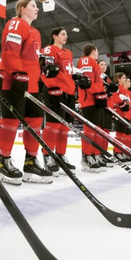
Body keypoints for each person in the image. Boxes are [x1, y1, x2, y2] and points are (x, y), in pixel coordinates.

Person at [0, 0, 53, 185]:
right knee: (10, 122)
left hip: (32, 85)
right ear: (22, 9)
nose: (37, 9)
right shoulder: (15, 23)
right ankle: (4, 161)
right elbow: (10, 50)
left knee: (35, 121)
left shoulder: (35, 32)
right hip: (14, 81)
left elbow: (32, 58)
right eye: (34, 6)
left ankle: (31, 161)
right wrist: (18, 73)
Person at [39, 27, 77, 176]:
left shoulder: (68, 52)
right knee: (53, 125)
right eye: (63, 34)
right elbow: (46, 71)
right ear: (54, 36)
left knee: (65, 126)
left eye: (66, 34)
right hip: (55, 89)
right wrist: (52, 86)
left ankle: (61, 155)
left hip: (69, 91)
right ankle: (47, 156)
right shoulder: (49, 50)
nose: (66, 36)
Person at [76, 44, 107, 172]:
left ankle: (94, 154)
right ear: (93, 50)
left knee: (96, 129)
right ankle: (86, 157)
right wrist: (99, 91)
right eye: (97, 50)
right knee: (90, 130)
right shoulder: (86, 60)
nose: (98, 52)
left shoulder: (92, 62)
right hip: (89, 100)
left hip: (95, 99)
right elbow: (86, 82)